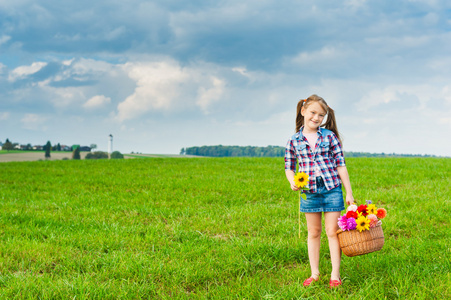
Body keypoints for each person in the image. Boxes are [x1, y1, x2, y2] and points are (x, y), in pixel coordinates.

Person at [284, 94, 354, 288]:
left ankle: (335, 275)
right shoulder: (294, 141)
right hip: (309, 191)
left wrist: (348, 192)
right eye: (313, 112)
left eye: (321, 115)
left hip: (331, 189)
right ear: (303, 111)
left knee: (333, 231)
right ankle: (314, 273)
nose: (316, 118)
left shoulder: (330, 137)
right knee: (313, 232)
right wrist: (292, 181)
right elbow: (289, 166)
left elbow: (341, 165)